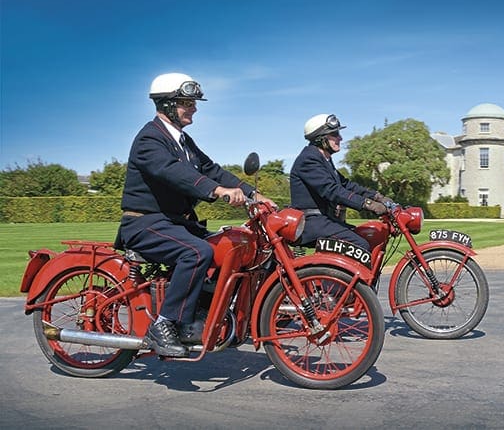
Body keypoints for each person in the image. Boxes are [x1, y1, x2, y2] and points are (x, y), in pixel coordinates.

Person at [116, 72, 274, 357]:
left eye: (193, 102)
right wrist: (217, 191)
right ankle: (164, 324)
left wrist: (252, 193)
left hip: (174, 223)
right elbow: (174, 173)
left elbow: (211, 169)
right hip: (144, 222)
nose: (194, 108)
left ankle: (196, 317)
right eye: (186, 102)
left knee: (226, 246)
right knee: (197, 252)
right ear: (166, 105)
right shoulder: (149, 139)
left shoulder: (183, 141)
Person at [290, 113, 391, 250]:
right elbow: (333, 191)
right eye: (335, 134)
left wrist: (377, 197)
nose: (340, 138)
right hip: (312, 223)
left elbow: (346, 184)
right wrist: (368, 205)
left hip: (325, 220)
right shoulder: (308, 160)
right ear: (321, 138)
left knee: (367, 235)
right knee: (360, 245)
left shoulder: (324, 159)